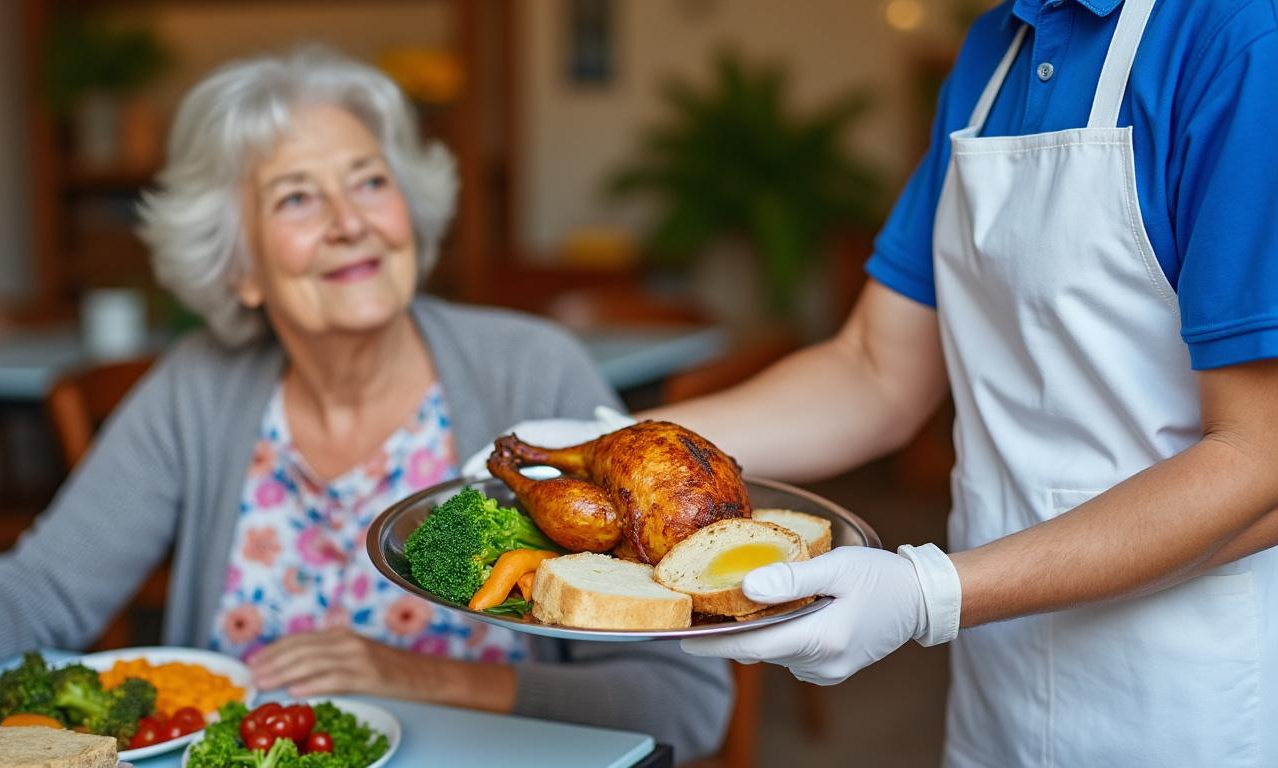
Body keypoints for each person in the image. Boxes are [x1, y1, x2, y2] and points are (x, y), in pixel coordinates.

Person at [480, 1, 1278, 765]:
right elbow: (875, 368)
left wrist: (930, 593)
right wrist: (590, 448)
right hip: (999, 675)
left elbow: (1260, 454)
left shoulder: (1241, 38)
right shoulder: (993, 50)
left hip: (1192, 692)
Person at [0, 47, 730, 762]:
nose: (350, 222)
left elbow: (685, 704)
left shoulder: (530, 373)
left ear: (408, 213)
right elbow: (40, 591)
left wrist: (417, 676)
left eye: (369, 182)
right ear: (239, 267)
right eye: (295, 200)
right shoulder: (196, 387)